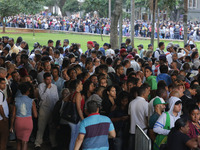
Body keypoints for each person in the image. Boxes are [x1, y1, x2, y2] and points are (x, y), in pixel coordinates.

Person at [35, 72, 59, 149]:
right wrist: (47, 89)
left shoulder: (54, 86)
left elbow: (56, 98)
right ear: (44, 80)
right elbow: (42, 97)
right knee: (41, 127)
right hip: (44, 109)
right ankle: (38, 143)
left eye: (50, 79)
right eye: (47, 79)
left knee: (52, 128)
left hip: (52, 109)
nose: (49, 81)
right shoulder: (41, 86)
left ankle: (53, 143)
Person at [10, 82, 37, 150]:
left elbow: (13, 115)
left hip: (18, 121)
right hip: (28, 122)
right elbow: (35, 115)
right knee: (25, 142)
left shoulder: (16, 100)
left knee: (19, 141)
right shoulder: (32, 101)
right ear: (28, 91)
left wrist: (11, 126)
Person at [128, 83, 150, 150]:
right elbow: (147, 118)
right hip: (143, 132)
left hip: (132, 131)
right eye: (147, 93)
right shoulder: (146, 104)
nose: (148, 94)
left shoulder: (131, 103)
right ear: (143, 94)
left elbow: (129, 116)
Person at [0, 78, 9, 150]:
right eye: (2, 83)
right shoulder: (0, 94)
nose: (4, 85)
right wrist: (4, 117)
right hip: (1, 119)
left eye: (5, 83)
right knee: (3, 137)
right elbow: (0, 107)